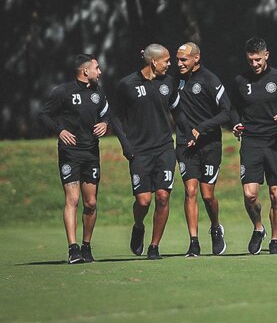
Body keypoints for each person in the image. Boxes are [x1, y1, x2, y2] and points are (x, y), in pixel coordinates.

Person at [110, 43, 195, 260]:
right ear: (154, 62)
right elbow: (116, 118)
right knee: (143, 201)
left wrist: (189, 134)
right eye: (166, 60)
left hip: (165, 148)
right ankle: (139, 226)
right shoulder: (127, 85)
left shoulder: (168, 83)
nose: (170, 64)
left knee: (163, 197)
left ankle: (154, 246)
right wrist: (125, 145)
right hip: (139, 151)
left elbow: (178, 112)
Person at [230, 37, 277, 255]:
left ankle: (276, 240)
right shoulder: (240, 81)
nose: (255, 64)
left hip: (275, 144)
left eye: (258, 59)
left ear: (266, 56)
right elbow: (233, 108)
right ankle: (259, 228)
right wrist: (236, 124)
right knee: (250, 195)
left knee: (276, 194)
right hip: (251, 143)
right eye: (251, 60)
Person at [39, 54, 110, 263]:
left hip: (91, 152)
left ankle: (86, 246)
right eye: (97, 68)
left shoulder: (98, 91)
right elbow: (44, 114)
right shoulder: (63, 92)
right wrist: (59, 130)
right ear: (85, 71)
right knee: (73, 199)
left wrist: (105, 124)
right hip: (70, 153)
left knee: (91, 202)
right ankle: (73, 248)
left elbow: (106, 113)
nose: (100, 72)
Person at [175, 42, 231, 257]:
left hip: (210, 145)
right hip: (184, 144)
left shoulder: (210, 80)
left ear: (196, 58)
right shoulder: (175, 81)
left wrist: (201, 128)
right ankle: (193, 242)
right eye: (177, 60)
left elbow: (226, 112)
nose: (179, 64)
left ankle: (216, 227)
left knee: (207, 195)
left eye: (184, 60)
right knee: (190, 192)